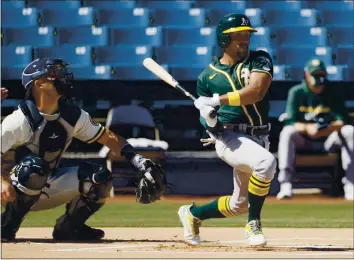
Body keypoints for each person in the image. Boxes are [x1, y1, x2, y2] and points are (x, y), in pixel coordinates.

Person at [1, 58, 165, 241]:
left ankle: (69, 228)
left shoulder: (73, 116)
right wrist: (2, 181)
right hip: (10, 190)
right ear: (39, 83)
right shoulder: (19, 120)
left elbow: (108, 138)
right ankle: (6, 225)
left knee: (100, 178)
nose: (61, 77)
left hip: (46, 183)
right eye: (54, 74)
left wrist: (137, 160)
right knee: (32, 168)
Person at [177, 13, 276, 247]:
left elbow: (256, 91)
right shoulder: (207, 77)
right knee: (265, 163)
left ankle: (193, 214)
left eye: (246, 34)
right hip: (229, 137)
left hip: (259, 136)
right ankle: (254, 224)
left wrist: (217, 100)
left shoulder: (260, 60)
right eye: (237, 35)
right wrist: (209, 117)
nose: (244, 39)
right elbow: (208, 125)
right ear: (223, 39)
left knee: (239, 204)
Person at [276, 58, 354, 201]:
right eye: (315, 75)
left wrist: (326, 129)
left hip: (328, 140)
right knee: (287, 132)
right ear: (306, 75)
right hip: (304, 139)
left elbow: (342, 120)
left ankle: (351, 185)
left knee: (350, 131)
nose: (318, 79)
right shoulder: (297, 92)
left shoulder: (333, 91)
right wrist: (308, 128)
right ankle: (285, 184)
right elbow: (291, 122)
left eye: (321, 75)